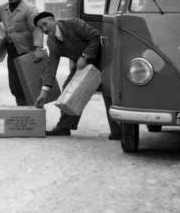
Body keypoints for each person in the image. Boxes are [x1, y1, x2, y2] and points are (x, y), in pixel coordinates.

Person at [32, 11, 121, 139]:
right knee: (68, 88)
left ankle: (118, 132)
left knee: (109, 92)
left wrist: (85, 56)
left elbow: (95, 36)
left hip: (104, 60)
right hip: (82, 66)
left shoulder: (74, 24)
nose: (44, 29)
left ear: (52, 20)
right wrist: (44, 91)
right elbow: (51, 66)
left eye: (45, 24)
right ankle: (64, 127)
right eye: (41, 28)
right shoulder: (51, 41)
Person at [0, 0, 44, 105]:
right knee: (15, 87)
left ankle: (34, 115)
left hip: (28, 53)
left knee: (31, 86)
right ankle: (22, 111)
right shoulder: (2, 9)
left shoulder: (29, 9)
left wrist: (39, 49)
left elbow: (37, 29)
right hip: (12, 53)